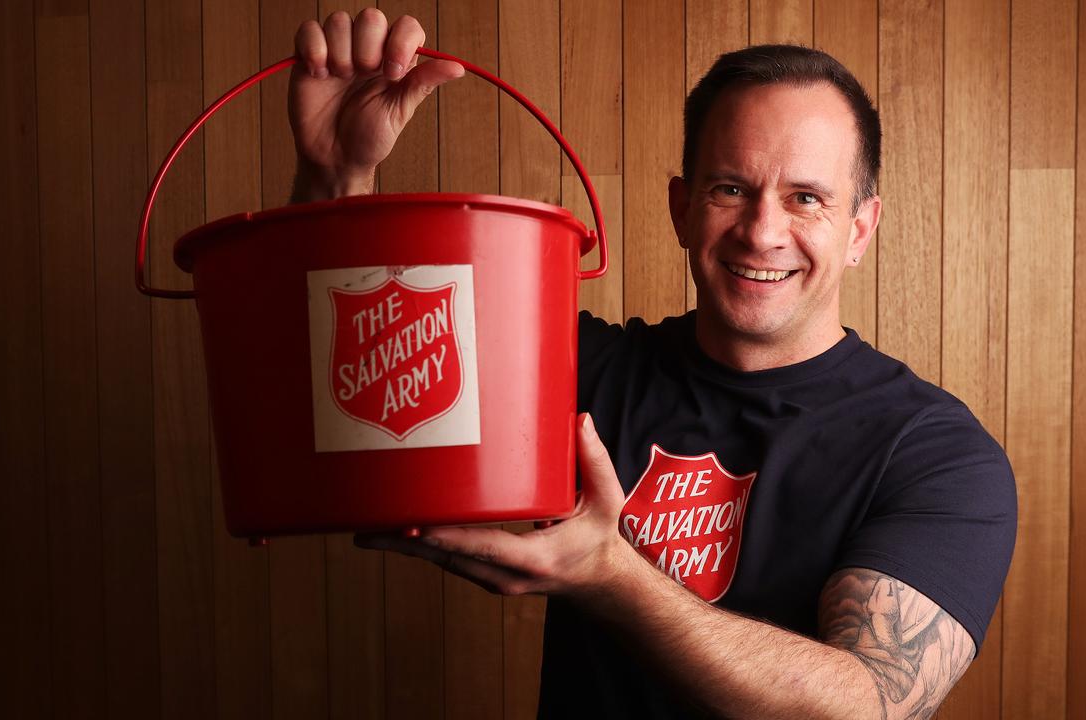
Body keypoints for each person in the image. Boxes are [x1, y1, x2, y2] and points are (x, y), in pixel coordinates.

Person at [288, 9, 1017, 719]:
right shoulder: (573, 369)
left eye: (806, 198)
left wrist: (610, 576)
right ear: (681, 208)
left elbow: (866, 705)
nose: (763, 232)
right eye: (731, 188)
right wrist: (336, 178)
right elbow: (354, 388)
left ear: (859, 229)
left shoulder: (937, 456)